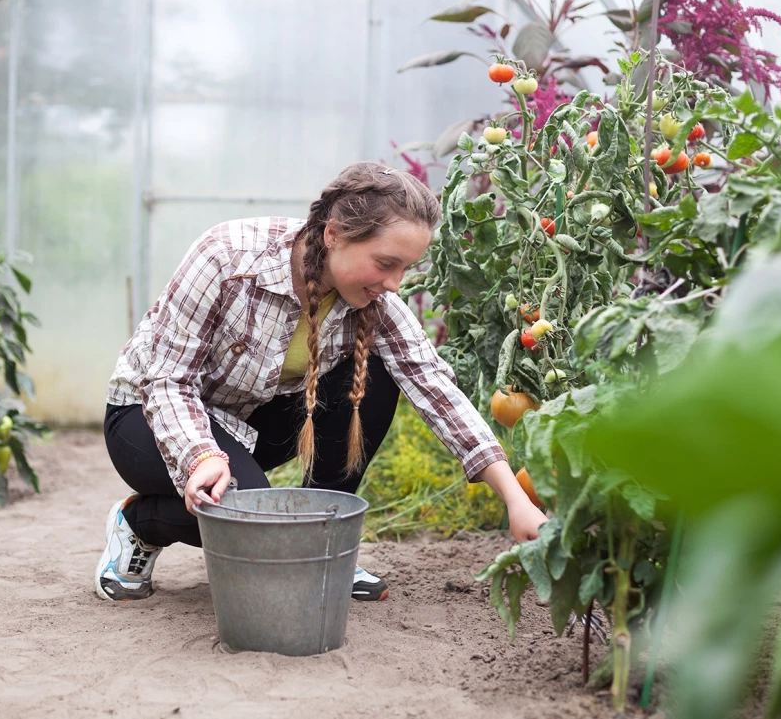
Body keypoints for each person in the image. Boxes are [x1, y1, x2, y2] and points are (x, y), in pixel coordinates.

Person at [95, 160, 549, 602]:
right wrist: (200, 457)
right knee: (255, 518)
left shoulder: (370, 300)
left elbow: (435, 388)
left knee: (375, 371)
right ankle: (141, 523)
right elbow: (168, 380)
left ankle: (321, 538)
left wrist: (514, 498)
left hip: (251, 424)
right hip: (150, 418)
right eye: (386, 263)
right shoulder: (228, 257)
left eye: (405, 269)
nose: (394, 284)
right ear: (333, 235)